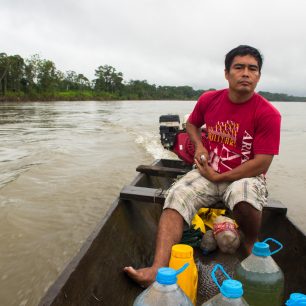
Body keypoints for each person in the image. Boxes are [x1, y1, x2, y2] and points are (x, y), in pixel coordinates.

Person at [124, 45, 281, 288]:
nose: (246, 74)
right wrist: (199, 146)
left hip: (245, 175)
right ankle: (157, 268)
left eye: (253, 69)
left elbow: (262, 162)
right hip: (207, 172)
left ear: (258, 76)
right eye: (239, 67)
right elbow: (192, 125)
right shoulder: (209, 100)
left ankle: (250, 242)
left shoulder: (268, 113)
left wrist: (222, 177)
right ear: (227, 74)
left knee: (244, 197)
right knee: (176, 194)